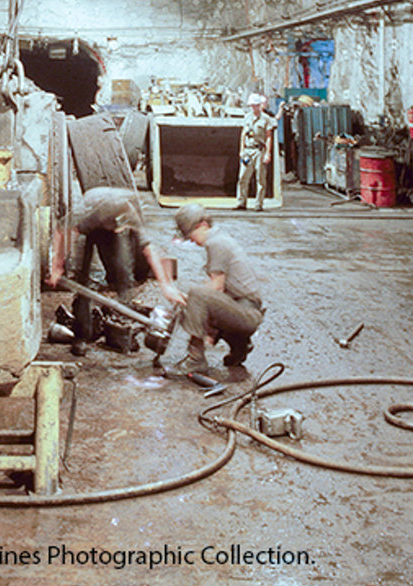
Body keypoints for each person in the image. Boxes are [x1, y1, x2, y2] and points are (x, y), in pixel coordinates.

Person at [62, 186, 185, 348]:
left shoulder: (129, 214)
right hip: (86, 227)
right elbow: (62, 233)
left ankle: (120, 330)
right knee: (85, 279)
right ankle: (81, 334)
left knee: (124, 274)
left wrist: (165, 286)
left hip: (110, 220)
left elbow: (149, 249)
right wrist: (57, 266)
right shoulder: (88, 216)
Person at [173, 203, 265, 375]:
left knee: (196, 295)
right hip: (246, 310)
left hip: (246, 314)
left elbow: (216, 287)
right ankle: (240, 345)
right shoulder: (221, 239)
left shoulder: (216, 243)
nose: (191, 240)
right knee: (198, 301)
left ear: (203, 225)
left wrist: (190, 301)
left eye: (190, 234)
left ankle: (195, 359)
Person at [238, 92, 274, 209]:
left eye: (255, 105)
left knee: (260, 178)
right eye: (252, 105)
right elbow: (243, 134)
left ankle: (258, 204)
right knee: (243, 177)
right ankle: (241, 202)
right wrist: (242, 150)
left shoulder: (266, 119)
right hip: (248, 151)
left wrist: (268, 153)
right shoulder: (247, 117)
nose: (253, 107)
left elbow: (269, 137)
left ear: (259, 105)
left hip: (259, 151)